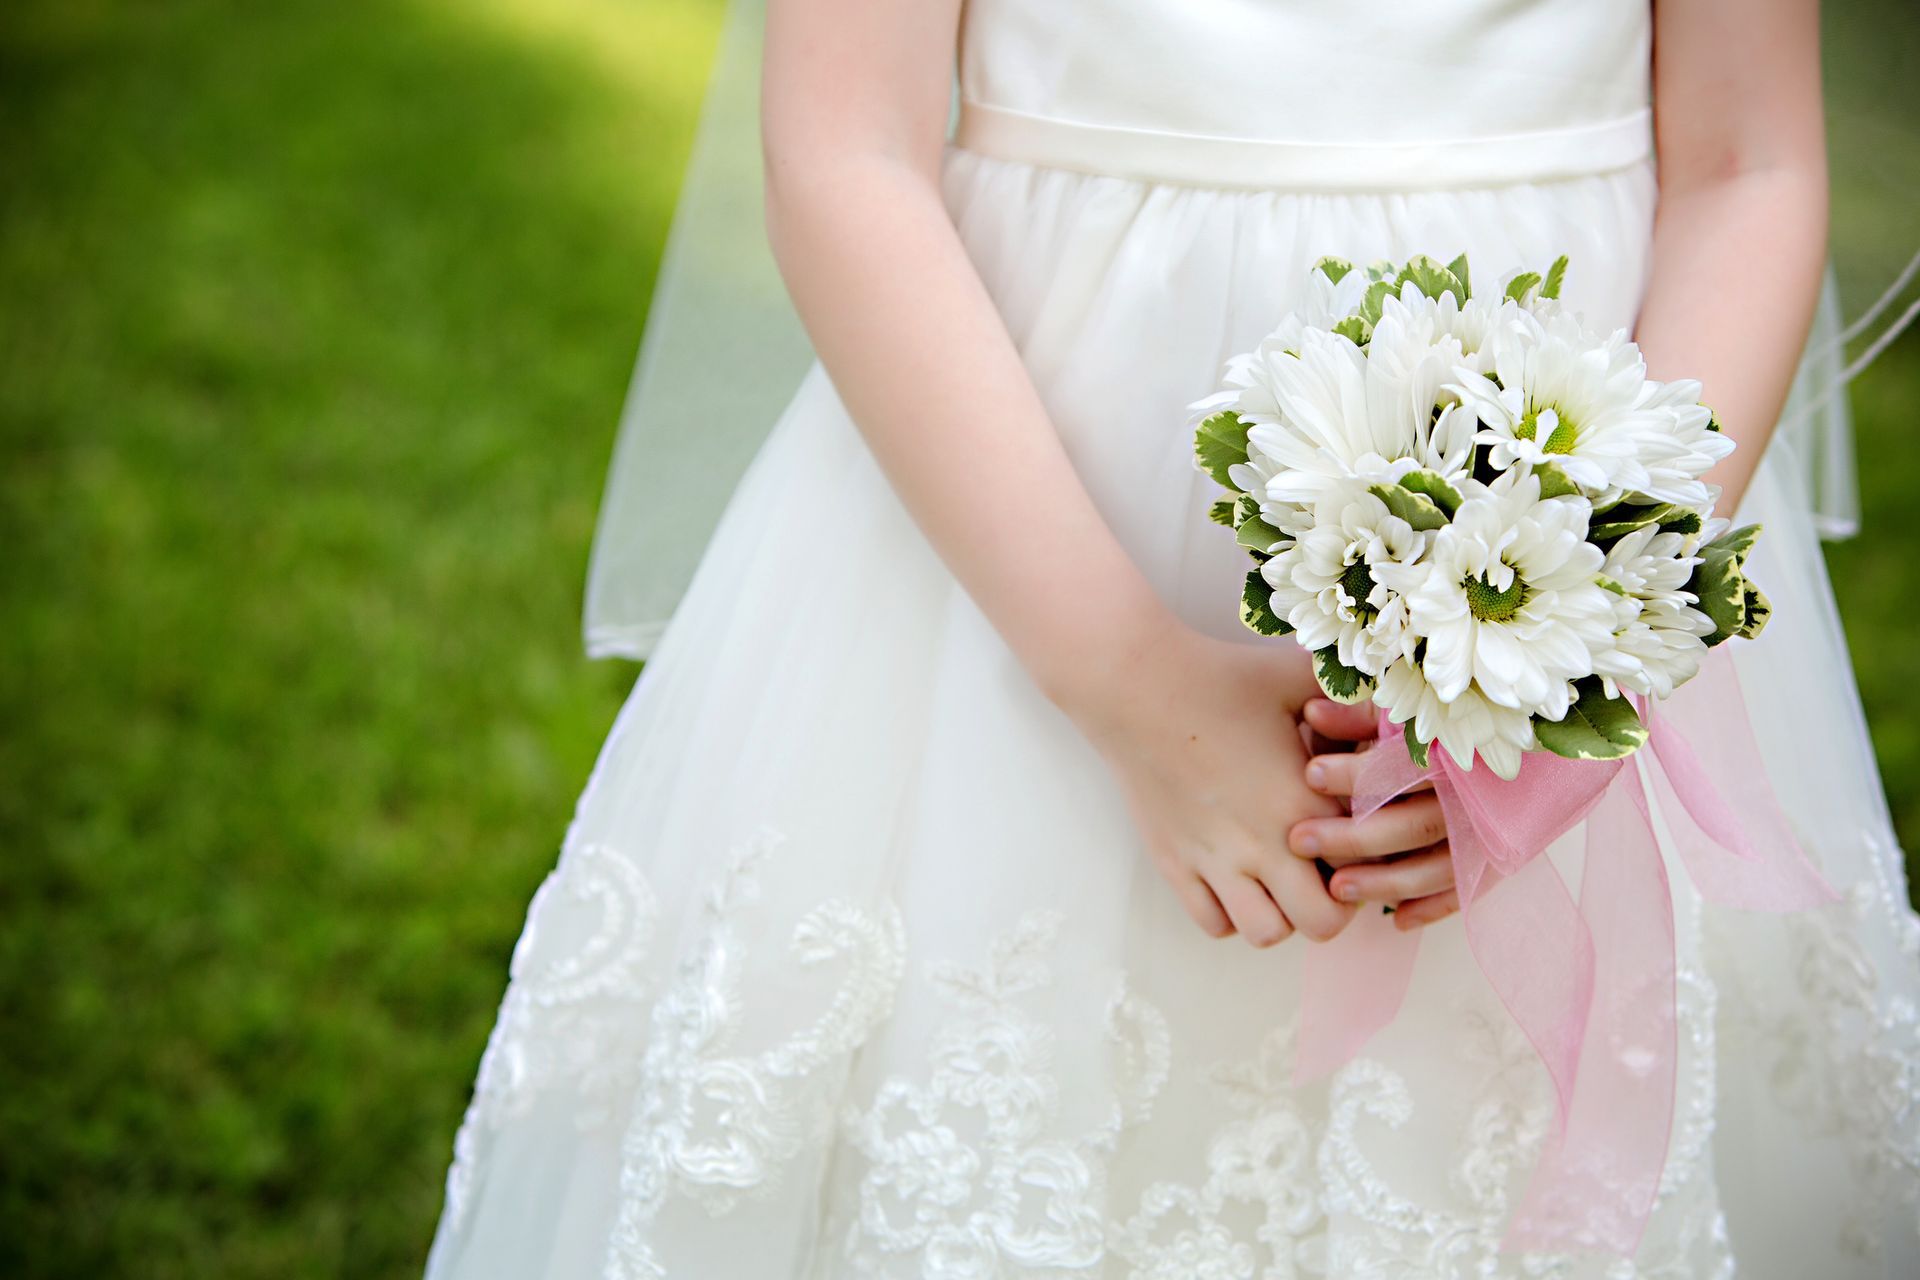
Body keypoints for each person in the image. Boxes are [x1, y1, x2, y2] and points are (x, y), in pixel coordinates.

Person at [425, 1, 1920, 1275]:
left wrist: (1584, 631)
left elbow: (1752, 162)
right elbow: (843, 151)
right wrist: (1130, 680)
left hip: (1569, 483)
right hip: (1028, 511)